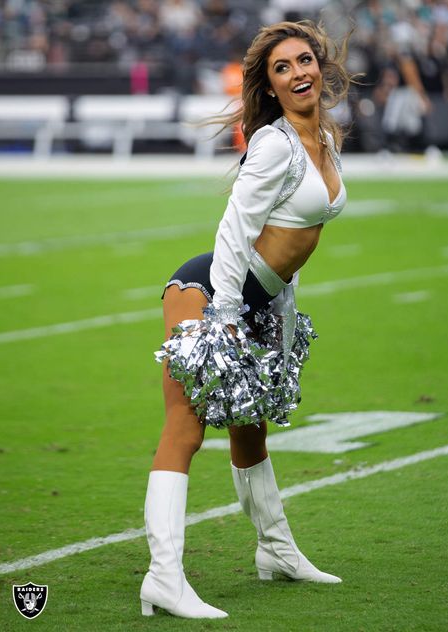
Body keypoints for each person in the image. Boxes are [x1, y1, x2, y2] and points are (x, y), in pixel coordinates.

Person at [140, 19, 352, 619]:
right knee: (185, 427)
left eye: (304, 60)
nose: (298, 72)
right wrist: (227, 317)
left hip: (261, 299)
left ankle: (276, 551)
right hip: (208, 289)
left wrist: (279, 316)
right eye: (282, 68)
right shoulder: (273, 144)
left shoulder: (324, 139)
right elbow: (234, 231)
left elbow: (290, 245)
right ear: (271, 86)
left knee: (250, 429)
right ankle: (163, 576)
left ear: (320, 66)